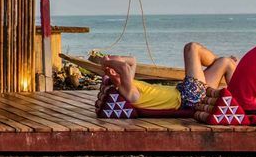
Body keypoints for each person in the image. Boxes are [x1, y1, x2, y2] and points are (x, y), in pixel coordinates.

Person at [100, 41, 238, 111]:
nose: (122, 61)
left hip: (186, 91)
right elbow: (124, 67)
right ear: (114, 71)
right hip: (188, 97)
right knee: (192, 47)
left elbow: (132, 60)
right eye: (118, 59)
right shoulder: (127, 89)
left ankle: (240, 104)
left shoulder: (129, 81)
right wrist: (106, 62)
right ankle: (218, 61)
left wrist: (111, 62)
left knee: (226, 62)